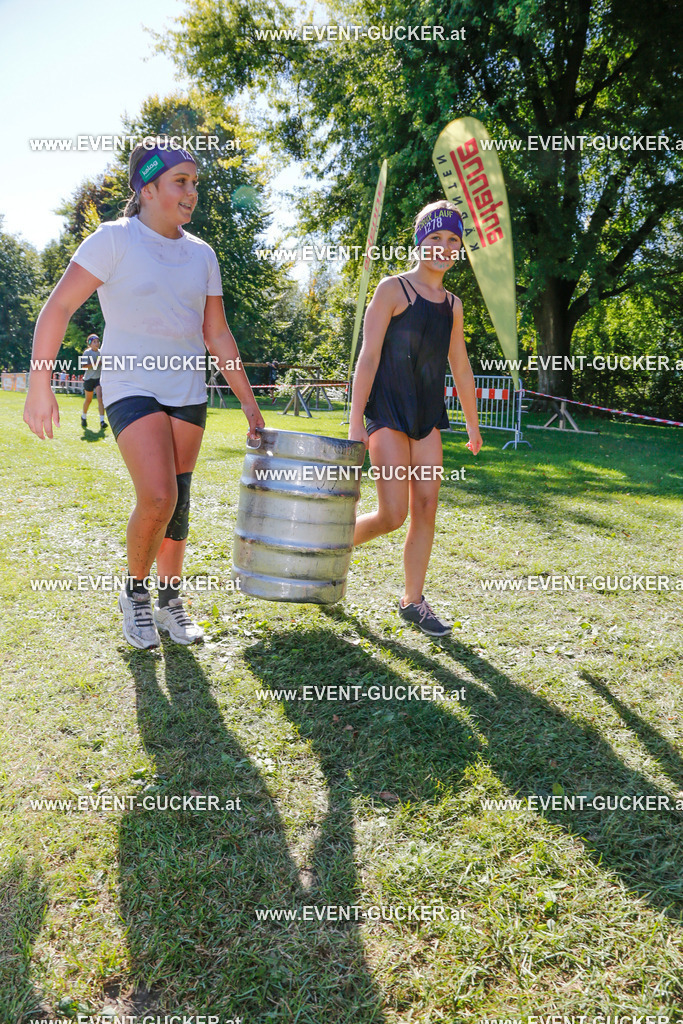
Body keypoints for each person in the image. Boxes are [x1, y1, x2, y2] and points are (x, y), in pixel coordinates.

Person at [24, 137, 265, 650]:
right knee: (158, 495)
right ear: (148, 186)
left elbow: (217, 333)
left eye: (195, 182)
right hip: (130, 384)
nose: (192, 192)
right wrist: (39, 384)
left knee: (178, 501)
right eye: (181, 181)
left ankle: (169, 601)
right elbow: (58, 308)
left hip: (187, 389)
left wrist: (248, 401)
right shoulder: (114, 240)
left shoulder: (202, 254)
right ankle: (134, 595)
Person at [348, 199, 482, 637]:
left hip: (426, 416)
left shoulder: (452, 305)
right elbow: (367, 359)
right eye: (436, 238)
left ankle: (413, 601)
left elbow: (460, 366)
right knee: (392, 514)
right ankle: (327, 545)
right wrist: (355, 423)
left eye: (453, 241)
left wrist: (474, 424)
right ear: (420, 241)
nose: (444, 247)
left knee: (426, 507)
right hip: (386, 411)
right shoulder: (393, 289)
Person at [80, 333, 106, 429]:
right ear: (90, 344)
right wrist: (96, 363)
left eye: (98, 341)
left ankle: (102, 421)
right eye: (94, 342)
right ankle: (83, 417)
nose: (97, 343)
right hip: (88, 379)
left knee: (100, 398)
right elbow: (83, 366)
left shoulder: (101, 352)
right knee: (88, 400)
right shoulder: (87, 353)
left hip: (98, 379)